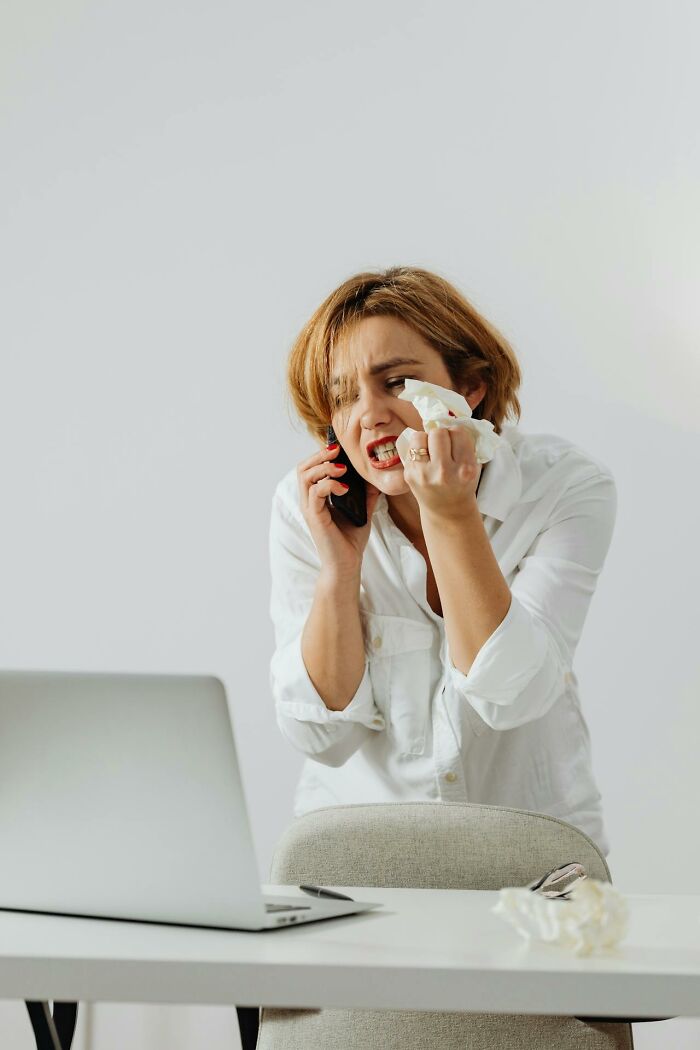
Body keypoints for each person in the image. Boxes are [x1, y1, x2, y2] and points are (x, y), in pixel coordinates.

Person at [268, 266, 617, 856]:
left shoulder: (564, 488)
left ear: (470, 388)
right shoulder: (308, 507)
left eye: (397, 382)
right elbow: (320, 736)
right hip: (359, 854)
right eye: (344, 394)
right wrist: (339, 571)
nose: (370, 414)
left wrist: (450, 515)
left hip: (532, 855)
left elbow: (511, 697)